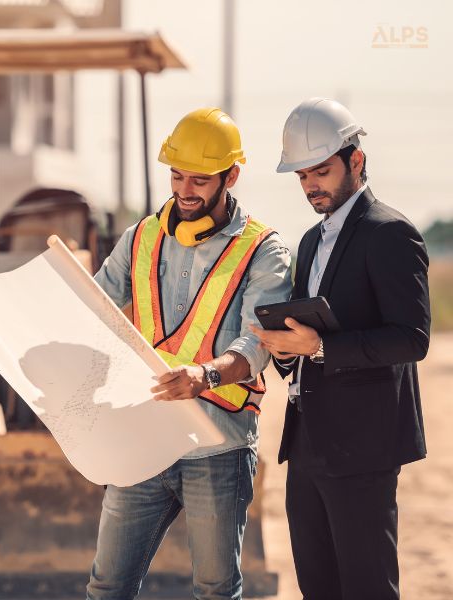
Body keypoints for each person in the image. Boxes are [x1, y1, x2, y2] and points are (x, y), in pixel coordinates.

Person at [86, 107, 292, 600]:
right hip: (144, 438)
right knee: (107, 587)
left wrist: (205, 375)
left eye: (200, 179)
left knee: (216, 590)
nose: (184, 190)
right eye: (177, 176)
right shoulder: (140, 238)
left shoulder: (263, 251)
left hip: (217, 448)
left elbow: (257, 344)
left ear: (231, 176)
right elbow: (91, 308)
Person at [251, 97, 430, 600]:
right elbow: (308, 341)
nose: (311, 184)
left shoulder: (390, 233)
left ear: (356, 161)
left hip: (365, 447)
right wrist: (287, 350)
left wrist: (323, 347)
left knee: (367, 587)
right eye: (302, 174)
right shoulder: (308, 241)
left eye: (321, 170)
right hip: (308, 444)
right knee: (318, 587)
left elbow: (412, 338)